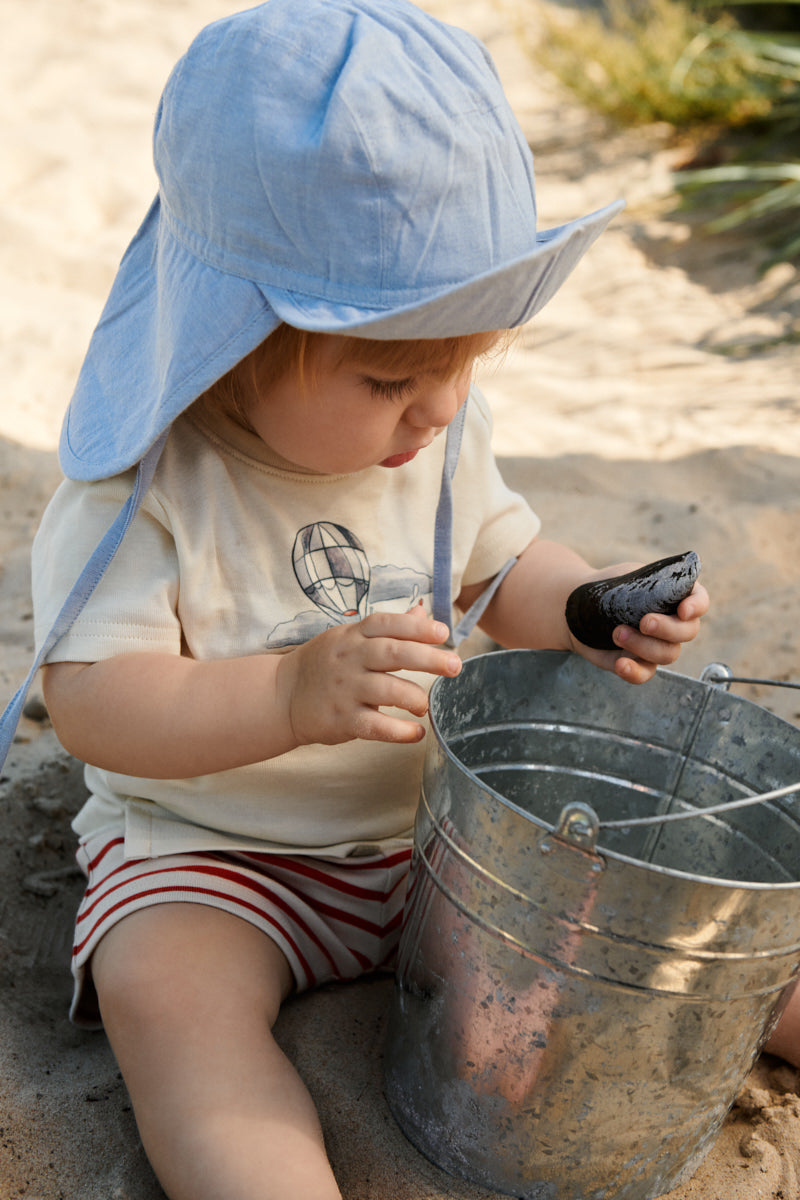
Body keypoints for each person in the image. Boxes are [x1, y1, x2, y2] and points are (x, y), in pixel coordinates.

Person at [20, 1, 715, 1197]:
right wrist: (290, 693)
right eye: (394, 374)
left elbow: (501, 569)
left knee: (664, 926)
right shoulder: (147, 485)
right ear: (236, 341)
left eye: (465, 363)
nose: (438, 409)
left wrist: (591, 606)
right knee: (169, 999)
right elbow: (97, 705)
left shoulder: (429, 432)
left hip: (436, 839)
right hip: (219, 856)